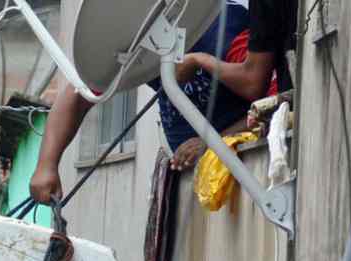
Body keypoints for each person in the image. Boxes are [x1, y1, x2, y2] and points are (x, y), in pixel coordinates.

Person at [30, 0, 280, 203]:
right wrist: (46, 165)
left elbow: (272, 104)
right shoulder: (142, 39)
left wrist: (212, 142)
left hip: (246, 178)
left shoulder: (225, 28)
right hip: (189, 181)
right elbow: (77, 95)